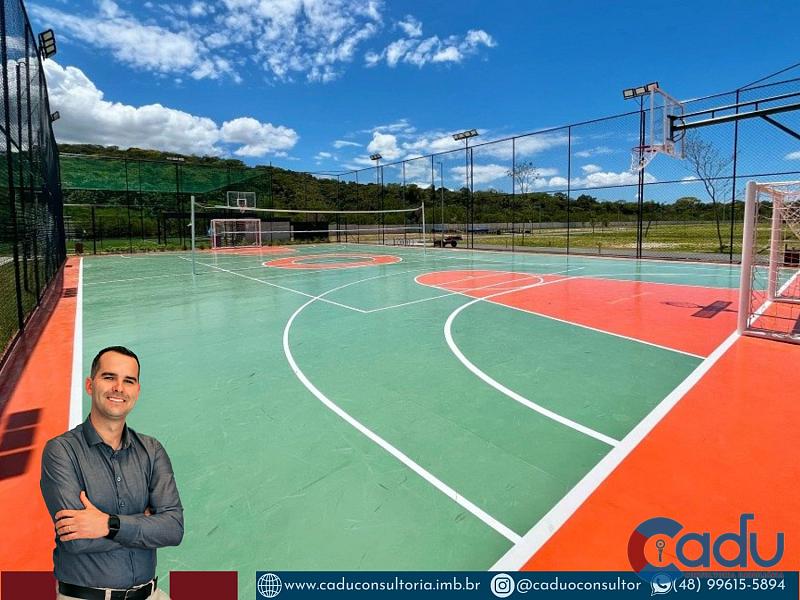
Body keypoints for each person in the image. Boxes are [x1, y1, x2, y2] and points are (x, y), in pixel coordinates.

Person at [40, 346, 183, 600]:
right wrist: (144, 522)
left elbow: (172, 529)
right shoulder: (61, 451)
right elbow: (76, 539)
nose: (119, 387)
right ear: (90, 385)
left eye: (128, 381)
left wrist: (107, 524)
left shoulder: (151, 450)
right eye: (109, 377)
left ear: (137, 391)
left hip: (150, 594)